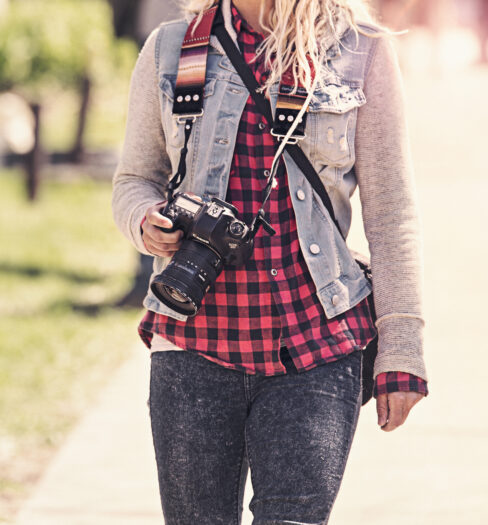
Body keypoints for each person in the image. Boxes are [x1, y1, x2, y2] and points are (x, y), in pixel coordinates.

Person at [111, 0, 428, 523]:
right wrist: (145, 220)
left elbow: (392, 213)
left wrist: (403, 348)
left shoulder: (360, 50)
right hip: (193, 344)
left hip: (317, 347)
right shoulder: (172, 49)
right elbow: (134, 180)